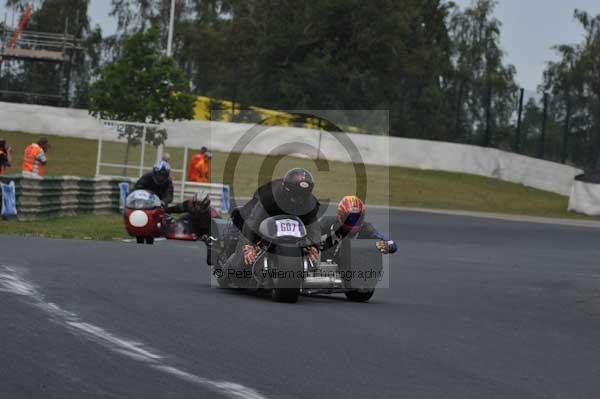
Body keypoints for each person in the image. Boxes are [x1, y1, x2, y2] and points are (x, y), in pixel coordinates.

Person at [225, 168, 321, 270]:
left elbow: (314, 228)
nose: (298, 200)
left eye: (303, 196)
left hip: (290, 225)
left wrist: (314, 247)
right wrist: (248, 246)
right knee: (239, 265)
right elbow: (253, 222)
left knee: (314, 264)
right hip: (263, 216)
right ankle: (230, 266)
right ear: (286, 190)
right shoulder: (269, 197)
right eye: (295, 196)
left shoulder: (310, 203)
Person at [320, 195, 397, 254]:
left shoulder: (367, 229)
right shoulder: (328, 222)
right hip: (324, 269)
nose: (353, 222)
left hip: (355, 269)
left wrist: (383, 245)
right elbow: (310, 232)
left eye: (357, 218)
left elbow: (392, 244)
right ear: (340, 215)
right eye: (349, 218)